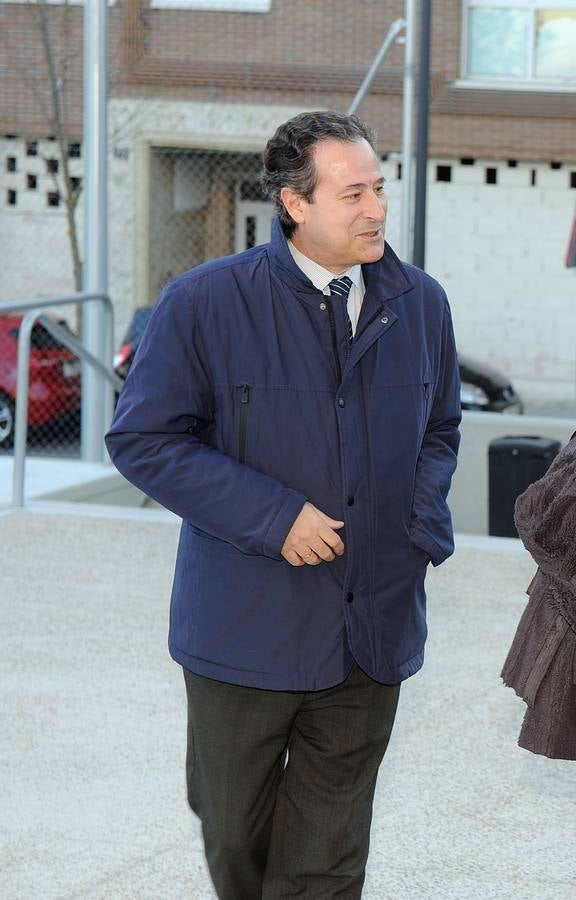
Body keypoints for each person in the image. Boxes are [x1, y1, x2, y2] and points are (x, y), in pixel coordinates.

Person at [105, 110, 461, 897]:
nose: (376, 209)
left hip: (372, 626)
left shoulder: (422, 304)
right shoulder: (203, 302)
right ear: (295, 204)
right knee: (234, 830)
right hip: (246, 627)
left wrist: (416, 527)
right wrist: (275, 518)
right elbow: (146, 440)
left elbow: (442, 429)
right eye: (353, 193)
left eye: (379, 189)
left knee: (327, 858)